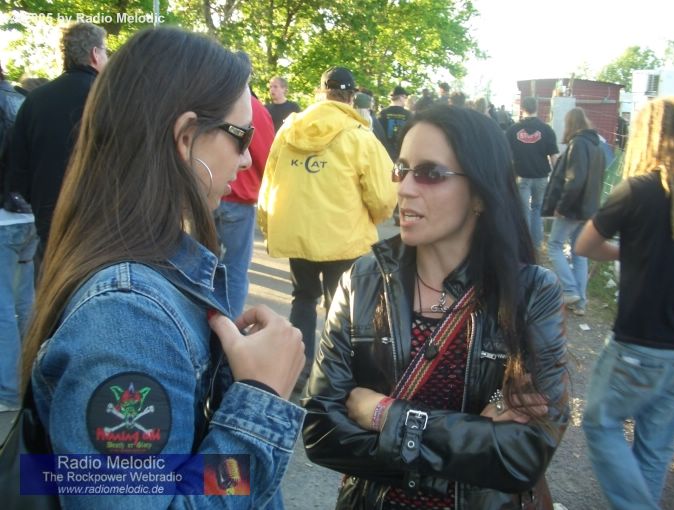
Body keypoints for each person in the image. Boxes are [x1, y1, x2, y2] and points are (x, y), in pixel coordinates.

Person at [21, 27, 305, 508]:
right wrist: (261, 397)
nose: (246, 159)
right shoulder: (127, 317)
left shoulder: (148, 285)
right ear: (186, 137)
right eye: (242, 136)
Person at [302, 106, 569, 509]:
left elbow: (524, 454)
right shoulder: (363, 281)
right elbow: (323, 433)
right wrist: (473, 437)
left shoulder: (532, 293)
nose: (404, 188)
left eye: (430, 173)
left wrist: (385, 415)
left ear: (480, 193)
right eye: (401, 169)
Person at [258, 66, 396, 389]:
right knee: (340, 304)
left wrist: (267, 224)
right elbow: (383, 194)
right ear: (351, 97)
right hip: (342, 236)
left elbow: (269, 183)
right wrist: (376, 217)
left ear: (321, 92)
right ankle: (335, 374)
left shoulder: (289, 130)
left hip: (298, 234)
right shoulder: (360, 137)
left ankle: (298, 368)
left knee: (303, 298)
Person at [575, 96, 674, 510]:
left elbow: (585, 245)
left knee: (599, 422)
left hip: (639, 344)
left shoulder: (636, 190)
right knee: (655, 447)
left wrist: (628, 251)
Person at [7, 22, 108, 276]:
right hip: (101, 218)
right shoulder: (108, 98)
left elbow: (16, 167)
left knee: (51, 288)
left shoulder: (35, 100)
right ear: (95, 54)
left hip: (50, 218)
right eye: (105, 51)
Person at [213, 89, 275, 316]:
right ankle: (228, 324)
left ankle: (201, 321)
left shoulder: (210, 95)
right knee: (235, 269)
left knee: (202, 264)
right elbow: (267, 155)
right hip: (239, 200)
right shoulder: (254, 108)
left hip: (207, 192)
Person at [0, 62, 38, 413]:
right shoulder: (21, 102)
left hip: (4, 220)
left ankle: (9, 392)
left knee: (3, 307)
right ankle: (29, 380)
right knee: (26, 302)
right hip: (28, 215)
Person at [542, 107, 605, 316]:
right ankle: (580, 303)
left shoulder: (577, 144)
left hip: (573, 208)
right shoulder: (597, 146)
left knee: (554, 245)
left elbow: (574, 180)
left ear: (570, 124)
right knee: (579, 252)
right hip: (589, 208)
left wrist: (562, 206)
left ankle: (570, 290)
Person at [506, 96, 559, 251]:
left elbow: (506, 156)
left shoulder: (512, 130)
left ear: (522, 108)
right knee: (537, 209)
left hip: (521, 176)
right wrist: (558, 177)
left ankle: (524, 245)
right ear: (537, 108)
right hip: (541, 176)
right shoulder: (546, 129)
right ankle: (536, 245)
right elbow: (553, 156)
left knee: (524, 212)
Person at [378, 85, 412, 162]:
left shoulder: (383, 113)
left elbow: (379, 134)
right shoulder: (409, 115)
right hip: (402, 154)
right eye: (405, 97)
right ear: (401, 97)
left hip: (385, 154)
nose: (406, 100)